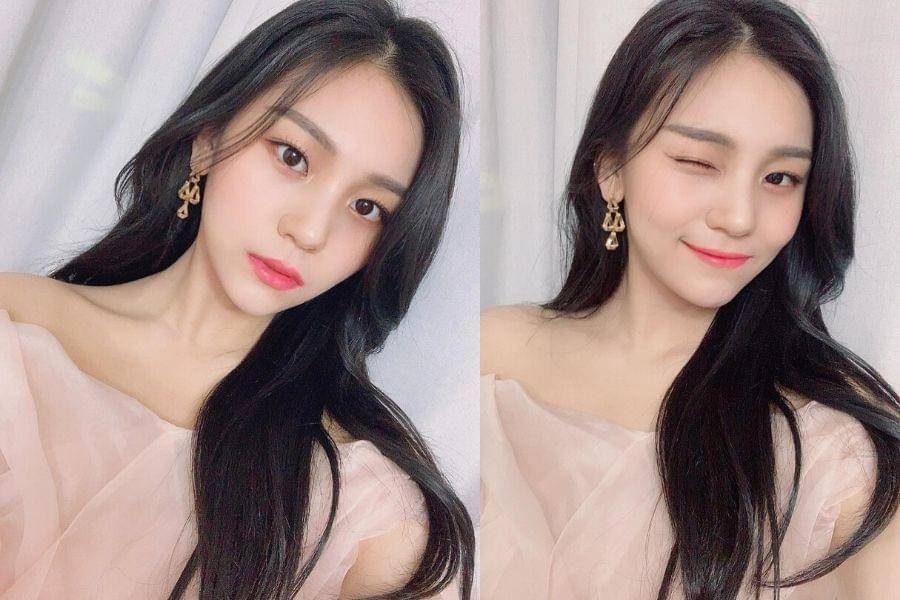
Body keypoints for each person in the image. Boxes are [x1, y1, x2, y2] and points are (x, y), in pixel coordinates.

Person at [0, 1, 474, 598]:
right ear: (207, 140)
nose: (310, 231)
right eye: (293, 156)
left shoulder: (364, 513)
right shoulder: (15, 336)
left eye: (366, 207)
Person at [480, 0, 900, 598]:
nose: (739, 217)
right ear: (610, 170)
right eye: (700, 161)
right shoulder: (490, 358)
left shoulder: (840, 447)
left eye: (779, 178)